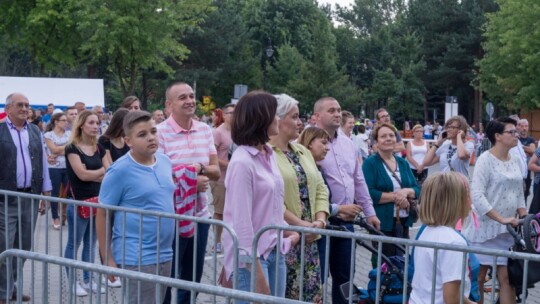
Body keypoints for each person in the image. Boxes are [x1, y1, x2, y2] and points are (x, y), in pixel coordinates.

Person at [221, 91, 300, 303]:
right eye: (274, 114)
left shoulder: (269, 154)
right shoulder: (242, 162)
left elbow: (271, 206)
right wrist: (255, 270)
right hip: (252, 258)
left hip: (275, 250)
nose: (278, 118)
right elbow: (241, 222)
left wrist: (289, 231)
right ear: (260, 118)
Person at [97, 111, 176, 304]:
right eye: (142, 134)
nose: (151, 137)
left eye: (153, 131)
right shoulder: (119, 170)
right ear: (128, 140)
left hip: (165, 252)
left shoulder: (165, 161)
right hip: (137, 255)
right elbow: (102, 214)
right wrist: (107, 258)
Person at [157, 81, 220, 304]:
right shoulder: (160, 133)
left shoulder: (205, 130)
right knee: (166, 276)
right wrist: (191, 181)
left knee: (192, 278)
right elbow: (159, 176)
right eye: (182, 97)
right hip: (171, 217)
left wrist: (199, 169)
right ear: (169, 105)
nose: (190, 101)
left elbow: (215, 171)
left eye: (192, 96)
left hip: (200, 216)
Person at [313, 97, 380, 304]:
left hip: (347, 223)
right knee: (317, 278)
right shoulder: (307, 143)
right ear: (317, 116)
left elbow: (358, 180)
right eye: (331, 110)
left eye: (339, 110)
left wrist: (370, 212)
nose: (337, 114)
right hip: (320, 223)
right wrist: (335, 209)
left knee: (345, 277)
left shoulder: (347, 143)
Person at [268, 94, 329, 302]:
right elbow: (271, 199)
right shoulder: (266, 153)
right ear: (277, 118)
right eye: (294, 117)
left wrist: (320, 221)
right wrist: (301, 225)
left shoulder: (302, 151)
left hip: (310, 238)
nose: (299, 122)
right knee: (286, 295)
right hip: (285, 238)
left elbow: (321, 188)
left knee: (310, 294)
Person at [462, 117, 527, 304]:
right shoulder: (485, 160)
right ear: (497, 136)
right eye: (511, 132)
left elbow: (519, 192)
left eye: (516, 132)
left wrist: (524, 215)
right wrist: (501, 218)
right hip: (484, 231)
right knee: (479, 279)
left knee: (507, 279)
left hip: (507, 232)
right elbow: (477, 196)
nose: (517, 135)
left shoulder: (515, 159)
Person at [0, 93, 52, 304]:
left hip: (30, 195)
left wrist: (46, 191)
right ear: (9, 108)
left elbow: (42, 161)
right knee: (5, 246)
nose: (24, 108)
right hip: (5, 199)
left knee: (24, 247)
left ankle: (12, 288)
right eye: (20, 105)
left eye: (27, 105)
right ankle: (3, 292)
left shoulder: (34, 130)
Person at [409, 172, 475, 304]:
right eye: (466, 195)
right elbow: (451, 298)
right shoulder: (454, 242)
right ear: (457, 201)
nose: (471, 200)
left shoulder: (427, 231)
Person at [64, 110, 110, 296]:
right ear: (81, 125)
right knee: (73, 244)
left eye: (97, 122)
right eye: (91, 122)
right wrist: (100, 172)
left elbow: (110, 172)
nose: (95, 126)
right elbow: (81, 175)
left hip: (97, 201)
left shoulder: (99, 147)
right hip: (78, 203)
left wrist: (95, 173)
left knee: (90, 244)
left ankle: (88, 279)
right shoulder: (72, 148)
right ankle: (72, 281)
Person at [362, 123, 420, 260]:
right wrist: (396, 197)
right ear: (376, 142)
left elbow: (417, 189)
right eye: (383, 136)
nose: (388, 138)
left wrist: (405, 191)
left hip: (403, 222)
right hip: (382, 223)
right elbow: (369, 193)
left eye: (391, 135)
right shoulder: (370, 163)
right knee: (384, 263)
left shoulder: (403, 163)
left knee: (401, 261)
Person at [210, 103, 235, 253]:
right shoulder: (217, 133)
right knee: (219, 212)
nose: (234, 116)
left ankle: (231, 240)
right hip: (220, 179)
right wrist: (229, 164)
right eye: (231, 113)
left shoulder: (238, 133)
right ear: (224, 115)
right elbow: (211, 156)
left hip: (234, 179)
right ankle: (217, 242)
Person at [44, 112, 71, 230]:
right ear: (56, 122)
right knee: (54, 193)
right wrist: (63, 148)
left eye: (66, 120)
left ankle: (70, 217)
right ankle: (55, 217)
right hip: (54, 167)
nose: (66, 122)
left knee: (70, 193)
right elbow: (53, 148)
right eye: (63, 120)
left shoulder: (70, 134)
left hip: (68, 166)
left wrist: (55, 153)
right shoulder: (48, 135)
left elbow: (72, 149)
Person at [517, 119, 536, 201]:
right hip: (517, 169)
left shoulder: (531, 139)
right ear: (518, 127)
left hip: (527, 171)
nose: (524, 128)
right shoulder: (516, 138)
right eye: (522, 126)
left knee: (526, 192)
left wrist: (520, 146)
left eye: (526, 126)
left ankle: (523, 212)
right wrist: (526, 149)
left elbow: (532, 151)